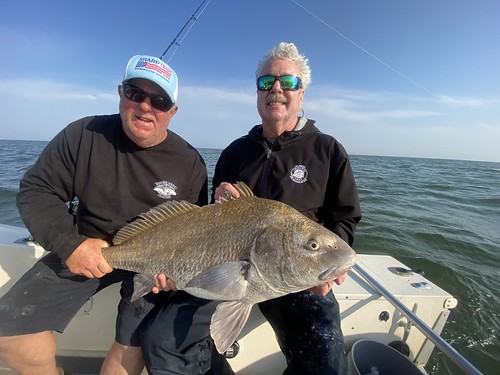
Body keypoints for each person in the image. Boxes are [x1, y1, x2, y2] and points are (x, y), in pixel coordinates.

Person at [0, 54, 207, 374]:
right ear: (120, 93)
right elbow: (36, 190)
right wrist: (70, 244)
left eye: (160, 100)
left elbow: (195, 232)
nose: (145, 107)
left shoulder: (191, 162)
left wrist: (176, 271)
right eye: (135, 93)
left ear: (173, 111)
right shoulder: (84, 134)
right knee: (8, 333)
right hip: (88, 248)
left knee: (129, 347)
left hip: (153, 260)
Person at [211, 42, 362, 374]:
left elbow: (345, 216)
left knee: (324, 362)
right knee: (184, 345)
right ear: (257, 93)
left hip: (298, 279)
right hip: (235, 271)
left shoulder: (328, 150)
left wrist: (328, 269)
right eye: (267, 82)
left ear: (302, 94)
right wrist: (219, 196)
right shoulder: (235, 152)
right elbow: (211, 215)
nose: (276, 89)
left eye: (287, 82)